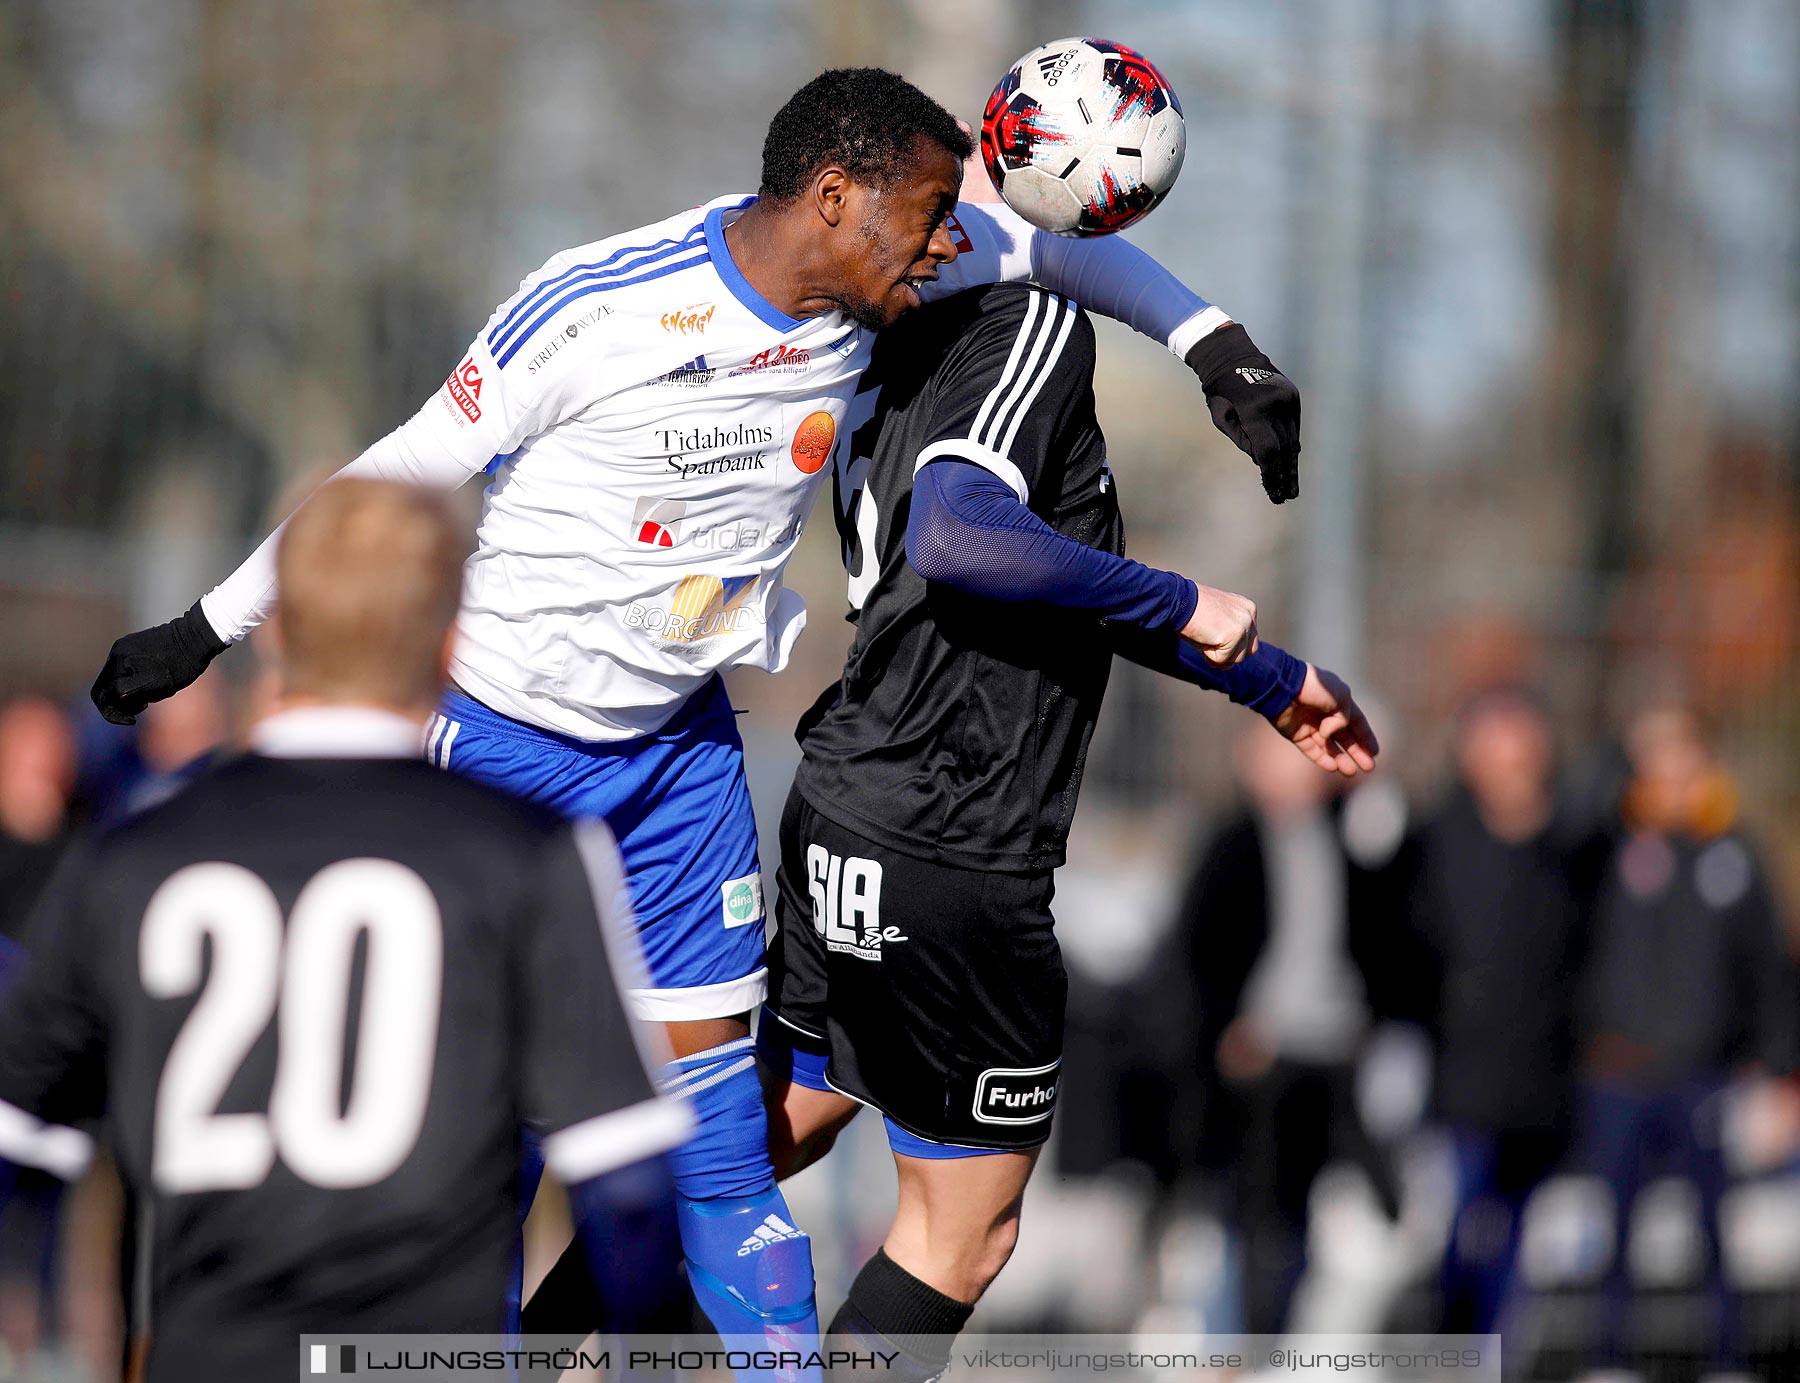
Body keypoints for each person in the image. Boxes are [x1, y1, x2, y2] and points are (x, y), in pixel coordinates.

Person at [85, 67, 1303, 1357]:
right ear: (834, 199)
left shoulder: (885, 266)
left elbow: (1067, 263)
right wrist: (206, 627)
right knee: (478, 1160)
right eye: (938, 212)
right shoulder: (598, 308)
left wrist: (1222, 352)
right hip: (503, 752)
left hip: (679, 766)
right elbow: (396, 467)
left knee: (729, 1179)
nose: (959, 242)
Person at [748, 279, 1372, 1381]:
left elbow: (1056, 585)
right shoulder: (1028, 322)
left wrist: (1267, 681)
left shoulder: (904, 330)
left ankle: (535, 1340)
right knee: (964, 1228)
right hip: (954, 843)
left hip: (847, 799)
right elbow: (957, 534)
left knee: (774, 1128)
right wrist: (1184, 597)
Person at [0, 480, 692, 1381]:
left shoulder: (136, 856)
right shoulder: (530, 856)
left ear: (279, 635)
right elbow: (632, 1191)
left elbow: (19, 1141)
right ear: (453, 645)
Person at [1577, 704, 1799, 1375]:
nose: (1673, 777)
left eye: (1686, 761)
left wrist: (1782, 1071)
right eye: (1658, 762)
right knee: (1612, 1229)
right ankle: (1609, 1359)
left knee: (1712, 1228)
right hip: (1620, 1074)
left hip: (1704, 1076)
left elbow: (1771, 973)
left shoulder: (1733, 858)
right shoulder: (1609, 850)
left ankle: (1723, 1360)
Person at [1174, 721, 1407, 1333]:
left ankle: (1293, 1337)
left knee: (1327, 1200)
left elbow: (1390, 927)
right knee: (1249, 1207)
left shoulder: (1352, 835)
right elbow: (1199, 951)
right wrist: (1228, 1030)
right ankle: (1234, 1340)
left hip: (1336, 1047)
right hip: (1262, 1050)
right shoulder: (1232, 843)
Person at [1408, 686, 1604, 1336]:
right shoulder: (1436, 838)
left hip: (1542, 1071)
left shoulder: (1575, 841)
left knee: (1520, 1229)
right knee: (1458, 1223)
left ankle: (1494, 1349)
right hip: (1458, 1072)